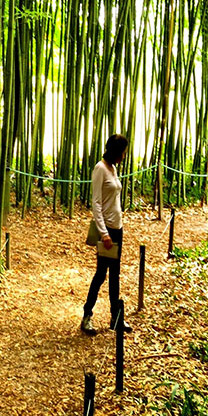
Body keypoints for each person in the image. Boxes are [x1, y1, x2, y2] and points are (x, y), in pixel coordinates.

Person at [81, 134, 133, 335]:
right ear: (115, 151)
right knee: (101, 274)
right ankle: (87, 316)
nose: (124, 155)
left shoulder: (113, 168)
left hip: (117, 229)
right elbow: (96, 203)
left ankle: (115, 318)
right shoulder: (100, 168)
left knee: (115, 276)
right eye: (122, 151)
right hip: (107, 232)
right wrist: (104, 233)